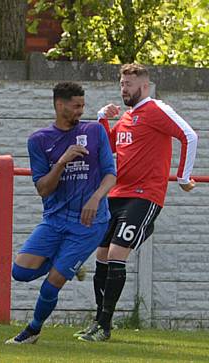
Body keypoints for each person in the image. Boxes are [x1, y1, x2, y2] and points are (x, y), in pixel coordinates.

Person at [76, 64, 198, 342]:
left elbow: (189, 135)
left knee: (117, 254)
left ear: (143, 85)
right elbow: (110, 146)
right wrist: (101, 119)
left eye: (128, 84)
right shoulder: (129, 117)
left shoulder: (156, 110)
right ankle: (98, 322)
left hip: (144, 196)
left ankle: (105, 328)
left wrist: (183, 176)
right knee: (102, 257)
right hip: (117, 196)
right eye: (121, 84)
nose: (123, 89)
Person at [5, 82, 116, 344]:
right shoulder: (39, 140)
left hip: (90, 222)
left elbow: (111, 174)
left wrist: (96, 198)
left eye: (82, 105)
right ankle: (67, 264)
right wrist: (62, 162)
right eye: (76, 106)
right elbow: (43, 189)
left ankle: (32, 331)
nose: (81, 110)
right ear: (60, 105)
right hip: (55, 219)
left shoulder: (95, 132)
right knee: (20, 272)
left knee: (51, 283)